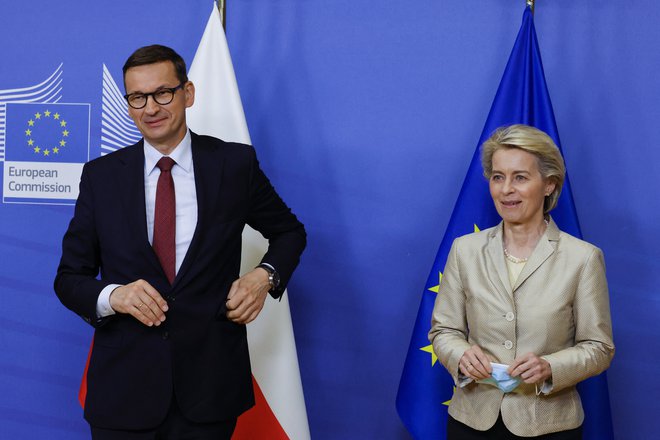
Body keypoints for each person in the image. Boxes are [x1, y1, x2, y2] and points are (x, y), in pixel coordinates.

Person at [54, 44, 306, 439]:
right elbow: (70, 278)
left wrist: (263, 277)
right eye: (137, 97)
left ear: (187, 93)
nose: (150, 108)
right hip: (123, 392)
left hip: (210, 388)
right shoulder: (101, 177)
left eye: (162, 93)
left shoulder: (234, 165)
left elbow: (290, 232)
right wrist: (114, 296)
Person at [429, 124, 614, 439]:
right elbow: (444, 331)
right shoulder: (465, 249)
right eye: (498, 177)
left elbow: (598, 347)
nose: (505, 189)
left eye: (520, 177)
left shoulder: (582, 258)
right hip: (471, 422)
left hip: (549, 425)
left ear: (549, 184)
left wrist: (550, 367)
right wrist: (460, 355)